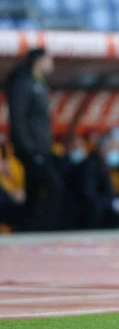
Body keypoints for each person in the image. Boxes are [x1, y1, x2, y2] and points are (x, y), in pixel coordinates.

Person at [6, 48, 63, 232]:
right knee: (53, 187)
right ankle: (45, 227)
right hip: (32, 149)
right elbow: (18, 118)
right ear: (38, 61)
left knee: (33, 190)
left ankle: (27, 228)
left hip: (41, 147)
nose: (51, 64)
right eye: (49, 59)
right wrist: (28, 148)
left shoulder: (38, 82)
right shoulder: (23, 83)